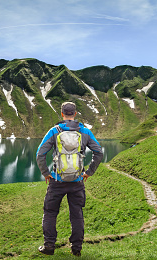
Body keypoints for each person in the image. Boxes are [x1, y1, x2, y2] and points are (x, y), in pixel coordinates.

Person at [35, 101, 103, 257]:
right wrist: (89, 172)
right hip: (77, 182)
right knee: (76, 214)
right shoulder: (85, 132)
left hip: (57, 182)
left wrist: (46, 173)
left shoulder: (54, 131)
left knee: (50, 213)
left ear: (62, 114)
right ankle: (76, 248)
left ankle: (49, 246)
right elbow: (98, 153)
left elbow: (40, 154)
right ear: (75, 114)